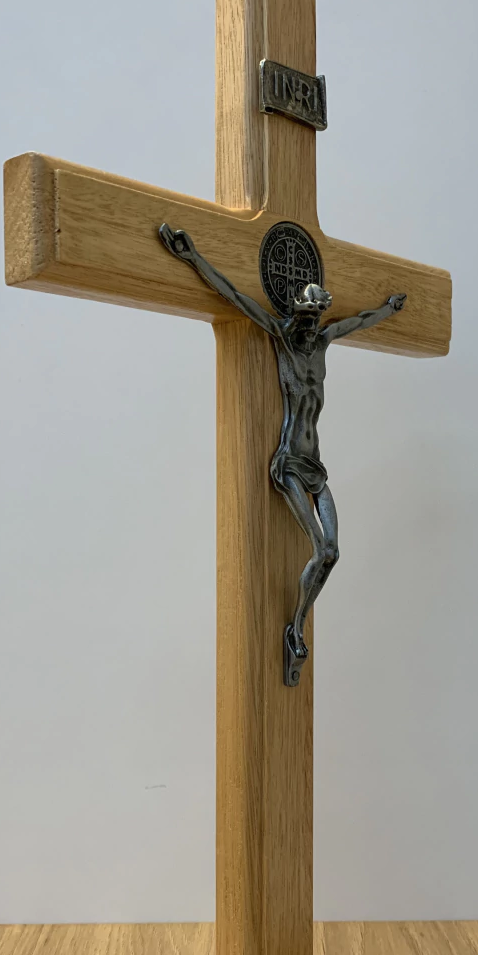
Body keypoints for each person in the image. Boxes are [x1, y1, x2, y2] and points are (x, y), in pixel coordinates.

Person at [159, 222, 406, 685]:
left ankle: (297, 624)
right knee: (322, 547)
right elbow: (234, 295)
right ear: (295, 315)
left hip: (316, 467)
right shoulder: (280, 334)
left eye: (315, 320)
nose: (310, 328)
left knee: (332, 552)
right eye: (305, 320)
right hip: (289, 463)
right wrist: (193, 258)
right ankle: (297, 629)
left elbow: (360, 321)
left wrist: (388, 310)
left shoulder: (324, 341)